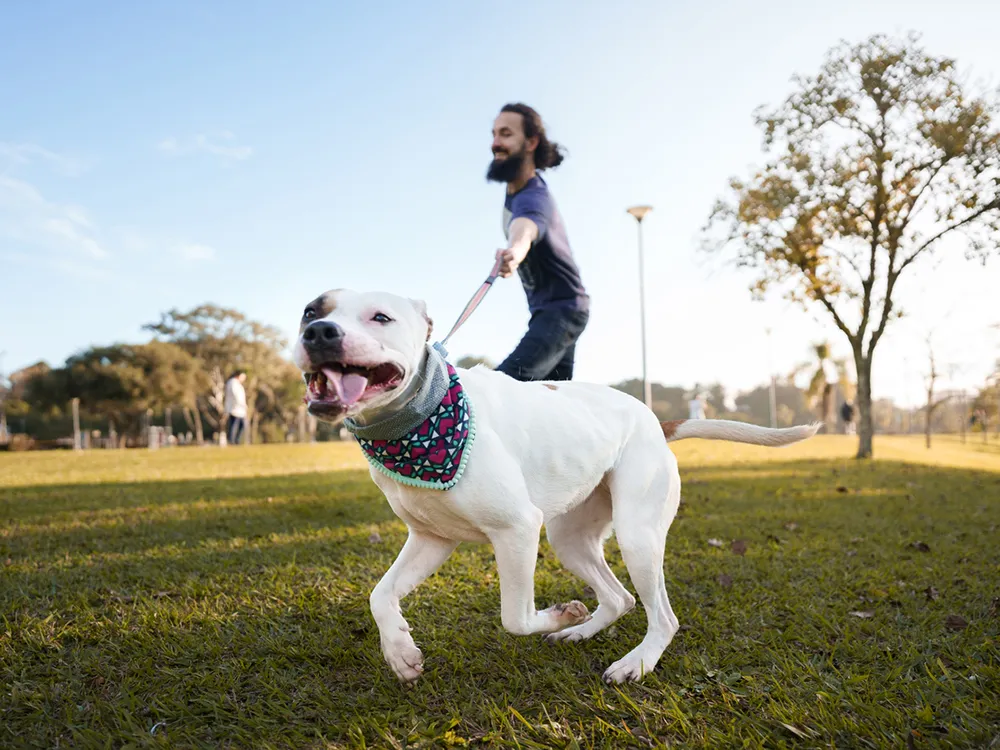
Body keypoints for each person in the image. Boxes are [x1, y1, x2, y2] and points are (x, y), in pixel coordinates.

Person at [487, 103, 590, 382]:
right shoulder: (517, 192)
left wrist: (516, 252)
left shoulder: (534, 196)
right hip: (555, 311)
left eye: (506, 134)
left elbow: (527, 226)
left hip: (562, 311)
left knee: (500, 389)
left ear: (531, 142)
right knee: (554, 403)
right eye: (494, 134)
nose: (495, 143)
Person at [224, 370, 248, 445]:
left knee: (241, 425)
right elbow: (236, 395)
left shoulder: (237, 384)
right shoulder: (232, 383)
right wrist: (242, 404)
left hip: (239, 409)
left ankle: (236, 440)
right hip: (235, 408)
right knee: (234, 425)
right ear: (238, 375)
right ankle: (232, 441)